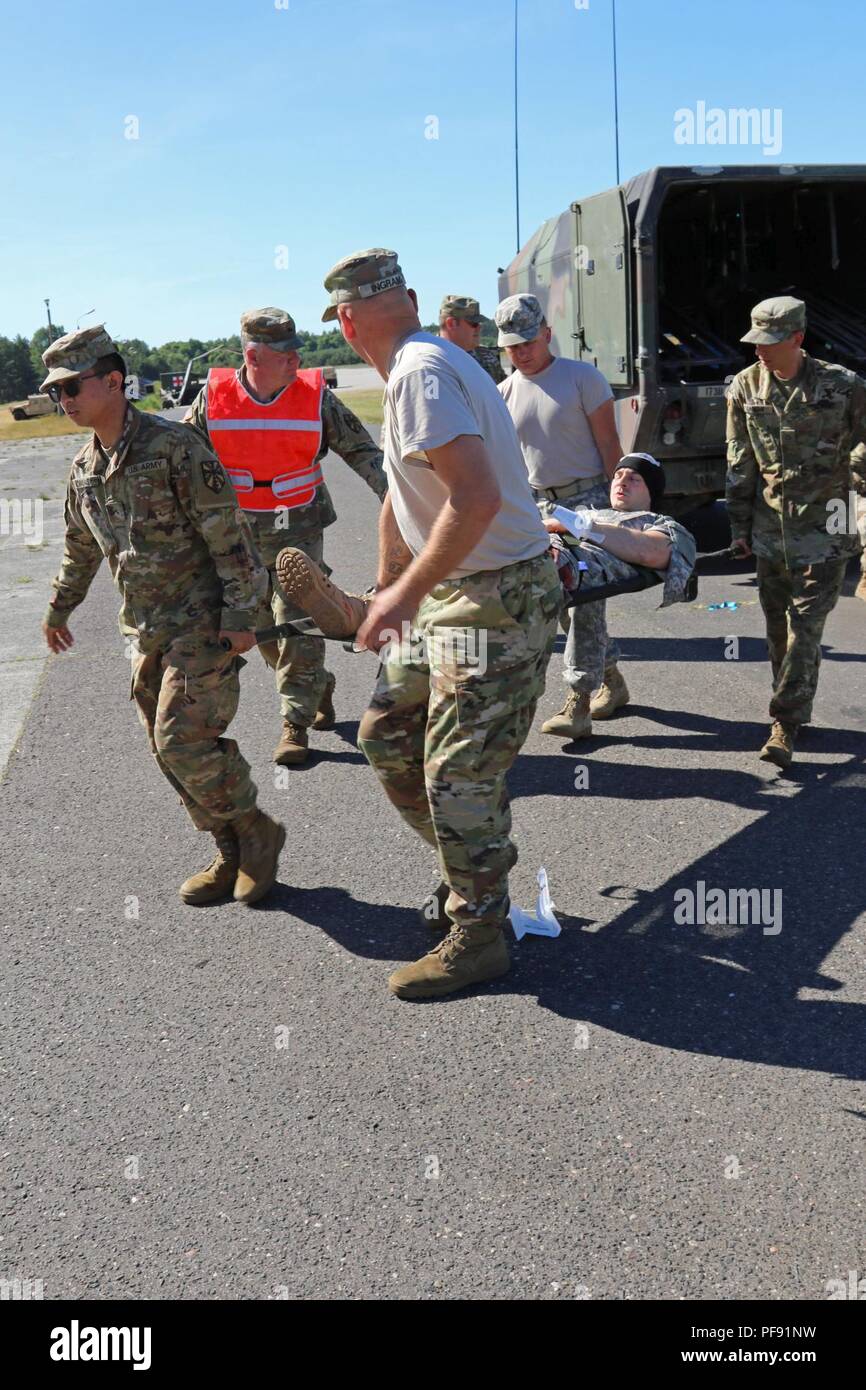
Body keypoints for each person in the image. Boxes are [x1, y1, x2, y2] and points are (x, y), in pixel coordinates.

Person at [321, 248, 560, 1000]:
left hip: (494, 595)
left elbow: (477, 497)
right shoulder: (422, 365)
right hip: (454, 589)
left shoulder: (421, 374)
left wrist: (397, 600)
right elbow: (405, 488)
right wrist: (391, 582)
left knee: (457, 774)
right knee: (387, 735)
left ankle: (481, 930)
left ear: (347, 320)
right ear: (411, 299)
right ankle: (470, 866)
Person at [40, 325, 284, 905]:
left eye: (74, 385)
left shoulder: (175, 447)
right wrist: (59, 606)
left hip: (202, 622)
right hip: (144, 629)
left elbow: (230, 535)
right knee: (165, 751)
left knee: (182, 740)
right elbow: (80, 548)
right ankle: (229, 851)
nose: (65, 400)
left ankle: (257, 832)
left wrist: (244, 615)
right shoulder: (84, 470)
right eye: (57, 391)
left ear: (115, 381)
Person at [184, 307, 387, 766]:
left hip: (300, 527)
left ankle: (294, 722)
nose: (297, 358)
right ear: (253, 355)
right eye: (284, 352)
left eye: (297, 349)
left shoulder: (316, 397)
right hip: (239, 536)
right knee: (257, 629)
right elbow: (184, 464)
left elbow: (364, 453)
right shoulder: (212, 398)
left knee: (299, 616)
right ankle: (317, 685)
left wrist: (403, 507)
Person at [726, 295, 866, 768]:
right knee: (776, 628)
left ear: (798, 339)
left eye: (770, 342)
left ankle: (784, 721)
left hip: (831, 519)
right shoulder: (745, 387)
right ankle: (791, 701)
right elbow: (739, 459)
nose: (759, 351)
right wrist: (738, 527)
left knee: (807, 626)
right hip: (771, 526)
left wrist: (857, 463)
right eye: (755, 341)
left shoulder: (843, 385)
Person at [495, 292, 625, 740]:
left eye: (528, 341)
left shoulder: (582, 378)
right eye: (512, 345)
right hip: (537, 508)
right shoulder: (503, 394)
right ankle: (612, 679)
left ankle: (579, 700)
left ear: (548, 333)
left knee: (585, 601)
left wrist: (624, 510)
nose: (521, 352)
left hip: (587, 502)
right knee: (561, 604)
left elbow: (611, 447)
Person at [438, 295, 505, 383]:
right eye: (474, 323)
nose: (479, 328)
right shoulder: (431, 361)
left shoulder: (487, 358)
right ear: (451, 324)